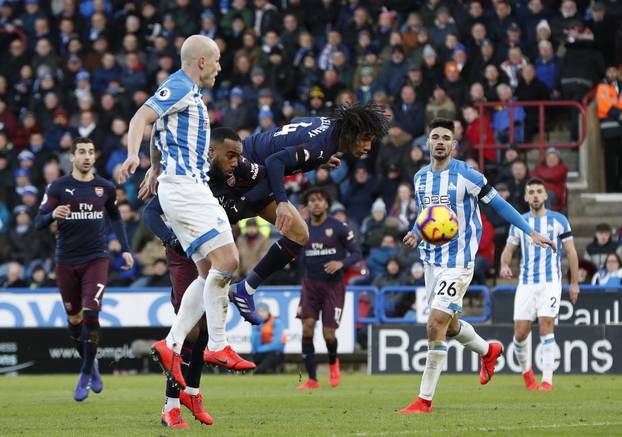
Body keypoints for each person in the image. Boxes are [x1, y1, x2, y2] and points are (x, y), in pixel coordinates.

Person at [119, 35, 254, 390]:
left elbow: (158, 129)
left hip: (182, 185)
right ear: (202, 62)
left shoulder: (189, 95)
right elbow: (141, 117)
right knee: (228, 260)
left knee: (207, 270)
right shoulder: (179, 85)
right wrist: (134, 157)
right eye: (218, 60)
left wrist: (153, 166)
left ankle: (171, 344)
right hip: (185, 187)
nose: (221, 67)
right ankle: (220, 345)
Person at [400, 118, 555, 414]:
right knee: (449, 326)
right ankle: (488, 350)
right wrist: (415, 232)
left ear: (454, 145)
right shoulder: (420, 178)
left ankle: (424, 400)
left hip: (459, 261)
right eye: (435, 137)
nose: (441, 142)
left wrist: (530, 230)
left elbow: (500, 206)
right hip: (431, 261)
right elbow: (427, 216)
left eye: (446, 137)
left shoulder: (469, 176)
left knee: (434, 324)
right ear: (428, 143)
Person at [228, 104, 388, 325]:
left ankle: (244, 289)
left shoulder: (328, 126)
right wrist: (282, 201)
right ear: (350, 133)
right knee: (227, 218)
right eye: (365, 139)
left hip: (256, 165)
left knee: (299, 233)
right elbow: (275, 161)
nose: (369, 146)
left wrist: (318, 159)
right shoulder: (320, 146)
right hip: (246, 168)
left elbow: (296, 124)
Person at [34, 137, 134, 401]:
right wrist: (52, 216)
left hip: (96, 259)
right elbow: (38, 222)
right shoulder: (58, 187)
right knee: (75, 320)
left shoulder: (105, 187)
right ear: (72, 157)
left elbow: (115, 216)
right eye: (82, 152)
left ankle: (86, 371)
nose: (87, 156)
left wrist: (125, 248)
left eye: (91, 152)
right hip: (66, 261)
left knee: (91, 313)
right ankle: (93, 367)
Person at [499, 178, 580, 392]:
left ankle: (547, 380)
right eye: (531, 192)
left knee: (546, 326)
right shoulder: (519, 222)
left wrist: (574, 283)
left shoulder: (559, 220)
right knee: (520, 334)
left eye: (539, 191)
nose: (535, 195)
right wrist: (504, 265)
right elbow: (508, 250)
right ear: (526, 197)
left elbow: (571, 252)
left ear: (545, 196)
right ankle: (527, 373)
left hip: (551, 282)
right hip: (525, 284)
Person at [297, 187, 362, 389]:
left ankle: (333, 363)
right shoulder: (303, 228)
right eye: (312, 200)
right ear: (307, 205)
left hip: (333, 287)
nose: (316, 203)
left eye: (320, 200)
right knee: (307, 327)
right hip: (310, 284)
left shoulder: (339, 227)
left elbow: (357, 253)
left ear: (327, 204)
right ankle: (312, 379)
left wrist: (341, 263)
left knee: (328, 334)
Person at [251, 303, 285, 374]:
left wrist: (260, 349)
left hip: (274, 352)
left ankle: (257, 371)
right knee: (254, 356)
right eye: (259, 311)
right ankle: (256, 371)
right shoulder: (256, 324)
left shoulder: (276, 322)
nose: (261, 313)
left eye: (263, 311)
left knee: (273, 355)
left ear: (268, 311)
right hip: (261, 352)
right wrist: (257, 332)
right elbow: (254, 345)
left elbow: (277, 344)